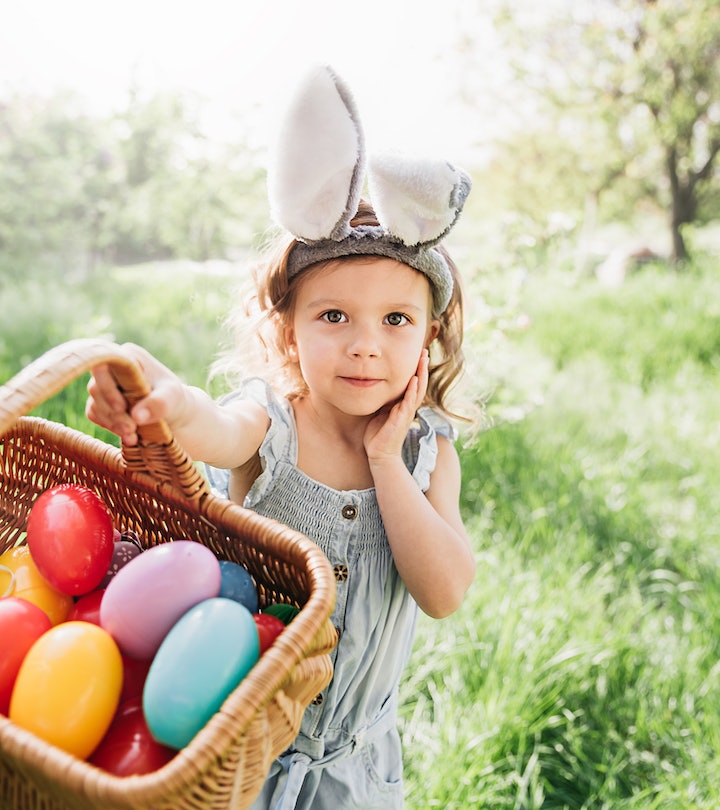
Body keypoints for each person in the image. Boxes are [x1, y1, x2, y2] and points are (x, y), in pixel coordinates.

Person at [86, 66, 476, 810]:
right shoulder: (275, 419)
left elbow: (445, 590)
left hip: (357, 770)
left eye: (395, 320)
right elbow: (215, 426)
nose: (366, 345)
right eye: (334, 317)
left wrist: (387, 461)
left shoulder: (429, 454)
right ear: (289, 335)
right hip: (241, 756)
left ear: (430, 337)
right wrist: (170, 402)